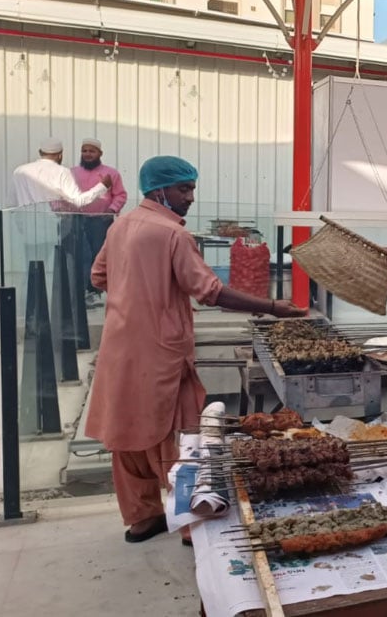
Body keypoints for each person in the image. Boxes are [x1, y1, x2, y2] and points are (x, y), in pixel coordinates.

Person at [86, 155, 306, 545]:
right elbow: (211, 291)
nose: (190, 197)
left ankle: (143, 518)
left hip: (120, 347)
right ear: (160, 191)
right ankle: (191, 523)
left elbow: (98, 275)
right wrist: (274, 307)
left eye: (191, 188)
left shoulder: (121, 226)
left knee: (127, 430)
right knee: (184, 436)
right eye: (183, 189)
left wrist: (138, 293)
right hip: (160, 351)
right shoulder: (174, 235)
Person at [68, 138, 128, 307]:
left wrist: (111, 210)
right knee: (80, 257)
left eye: (91, 151)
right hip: (77, 221)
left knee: (100, 256)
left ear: (100, 154)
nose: (87, 154)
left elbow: (120, 195)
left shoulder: (111, 173)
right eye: (84, 151)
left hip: (101, 221)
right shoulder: (71, 173)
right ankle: (81, 293)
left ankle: (96, 292)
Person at [11, 138, 112, 208]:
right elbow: (79, 201)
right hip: (52, 228)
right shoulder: (61, 172)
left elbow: (11, 204)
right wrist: (102, 186)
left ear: (40, 152)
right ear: (60, 155)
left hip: (25, 229)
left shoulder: (19, 171)